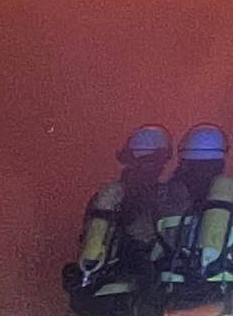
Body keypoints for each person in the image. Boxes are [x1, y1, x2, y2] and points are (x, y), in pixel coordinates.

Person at [69, 124, 173, 316]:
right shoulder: (164, 198)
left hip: (98, 286)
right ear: (163, 158)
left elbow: (88, 237)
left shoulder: (107, 195)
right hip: (138, 293)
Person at [153, 124, 233, 316]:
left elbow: (149, 242)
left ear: (184, 156)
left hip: (174, 297)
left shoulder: (166, 197)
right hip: (216, 297)